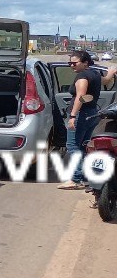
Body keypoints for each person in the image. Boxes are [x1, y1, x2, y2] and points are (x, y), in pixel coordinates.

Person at [59, 51, 102, 190]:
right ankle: (84, 177)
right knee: (83, 146)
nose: (71, 65)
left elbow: (80, 97)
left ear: (85, 62)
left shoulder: (82, 76)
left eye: (74, 63)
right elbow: (105, 80)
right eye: (69, 63)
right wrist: (111, 72)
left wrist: (72, 116)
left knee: (72, 146)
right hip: (92, 113)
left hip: (81, 115)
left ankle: (76, 179)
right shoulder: (95, 73)